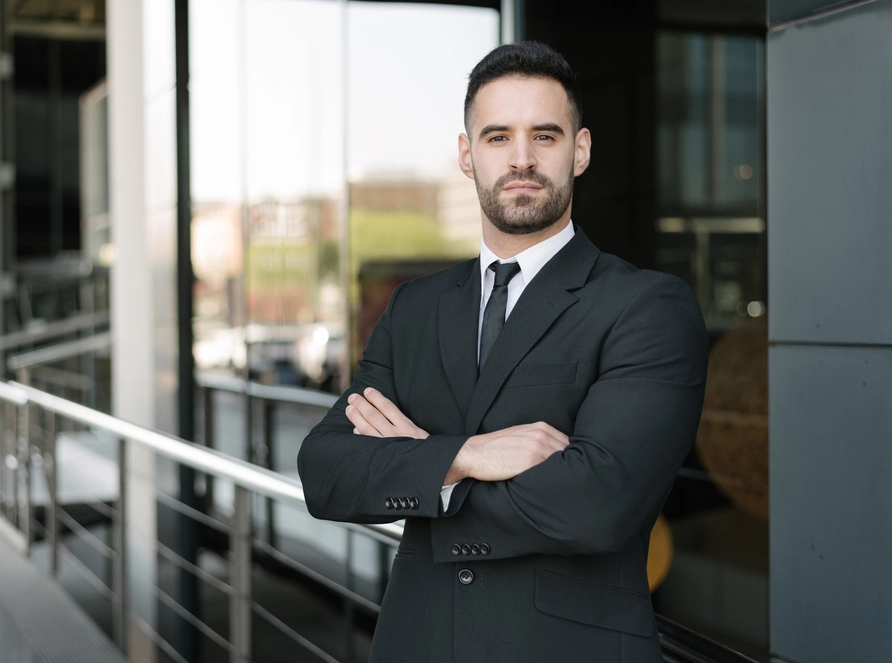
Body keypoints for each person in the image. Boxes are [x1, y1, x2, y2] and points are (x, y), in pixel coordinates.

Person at [297, 41, 708, 663]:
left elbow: (597, 506)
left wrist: (420, 465)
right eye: (497, 137)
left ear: (581, 149)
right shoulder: (416, 308)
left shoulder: (646, 306)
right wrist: (467, 454)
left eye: (544, 135)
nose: (521, 159)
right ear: (467, 155)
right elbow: (325, 472)